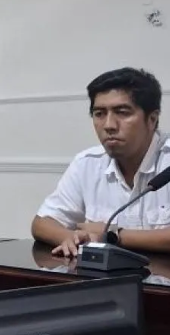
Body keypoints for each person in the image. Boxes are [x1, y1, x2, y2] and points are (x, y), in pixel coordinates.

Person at [32, 67, 170, 258]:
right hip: (109, 275)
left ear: (152, 119)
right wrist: (71, 237)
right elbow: (42, 223)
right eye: (99, 114)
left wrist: (112, 235)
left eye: (122, 112)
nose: (109, 125)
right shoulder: (87, 163)